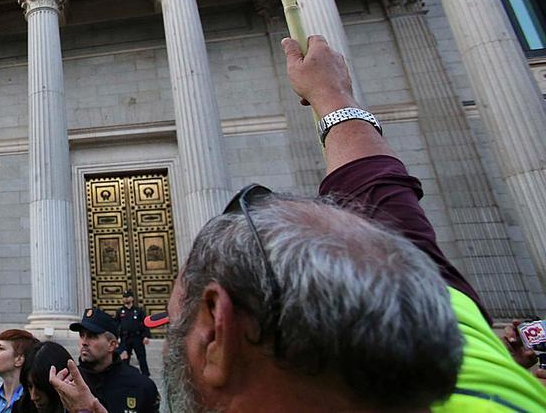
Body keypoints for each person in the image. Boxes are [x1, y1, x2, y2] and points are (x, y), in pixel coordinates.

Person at [50, 36, 546, 413]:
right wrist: (333, 96)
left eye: (179, 315)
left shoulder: (445, 317)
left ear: (218, 335)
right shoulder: (452, 342)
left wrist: (331, 96)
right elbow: (381, 193)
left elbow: (383, 197)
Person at [69, 308, 158, 413]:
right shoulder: (70, 382)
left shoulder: (140, 385)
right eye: (81, 335)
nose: (84, 342)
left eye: (92, 336)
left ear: (112, 345)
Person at [14, 341, 73, 413]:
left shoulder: (81, 407)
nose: (34, 397)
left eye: (40, 387)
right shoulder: (21, 408)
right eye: (30, 386)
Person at [114, 290, 151, 376]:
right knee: (124, 358)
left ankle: (145, 375)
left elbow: (145, 323)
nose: (126, 299)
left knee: (141, 357)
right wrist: (116, 337)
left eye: (128, 297)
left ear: (132, 298)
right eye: (124, 297)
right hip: (125, 338)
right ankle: (125, 375)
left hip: (137, 337)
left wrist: (146, 336)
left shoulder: (138, 311)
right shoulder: (120, 311)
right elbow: (116, 324)